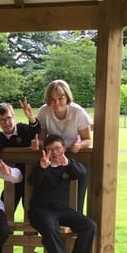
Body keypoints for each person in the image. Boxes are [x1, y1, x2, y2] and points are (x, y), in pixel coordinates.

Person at [27, 134, 96, 253]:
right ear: (45, 151)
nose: (55, 153)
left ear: (64, 149)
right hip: (41, 210)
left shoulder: (68, 165)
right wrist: (42, 167)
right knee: (50, 229)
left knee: (89, 225)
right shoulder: (42, 165)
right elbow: (32, 181)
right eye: (51, 150)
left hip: (62, 210)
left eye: (58, 148)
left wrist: (69, 164)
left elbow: (82, 174)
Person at [0, 99, 43, 253]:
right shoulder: (1, 137)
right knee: (4, 213)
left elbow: (35, 131)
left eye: (9, 118)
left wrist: (31, 117)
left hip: (31, 181)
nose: (6, 123)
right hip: (12, 183)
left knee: (31, 215)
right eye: (1, 120)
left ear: (14, 116)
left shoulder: (24, 129)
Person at [35, 79, 91, 214]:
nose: (57, 103)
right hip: (52, 159)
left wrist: (78, 145)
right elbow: (41, 139)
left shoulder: (78, 112)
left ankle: (76, 219)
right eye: (52, 99)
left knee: (76, 199)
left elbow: (88, 140)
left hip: (74, 157)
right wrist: (38, 144)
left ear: (67, 97)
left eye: (61, 98)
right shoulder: (43, 112)